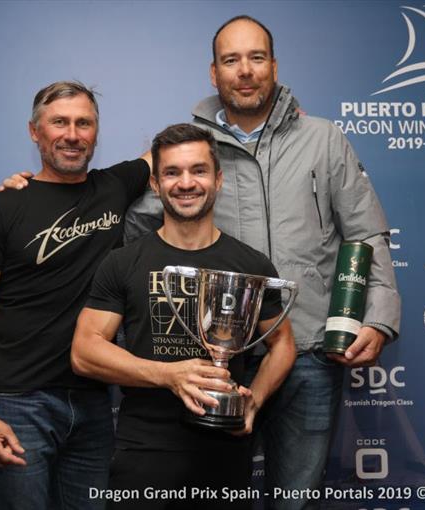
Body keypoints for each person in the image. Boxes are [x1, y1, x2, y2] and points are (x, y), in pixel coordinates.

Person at [124, 16, 401, 510]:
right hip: (216, 360)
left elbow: (366, 231)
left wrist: (378, 316)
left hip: (312, 349)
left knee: (296, 501)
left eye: (256, 58)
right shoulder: (192, 148)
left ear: (274, 65)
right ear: (214, 73)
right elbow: (127, 218)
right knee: (211, 500)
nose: (245, 71)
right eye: (231, 60)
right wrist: (40, 189)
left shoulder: (323, 138)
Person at [71, 123, 296, 510]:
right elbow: (84, 352)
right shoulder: (124, 261)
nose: (186, 183)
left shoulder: (250, 264)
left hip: (225, 452)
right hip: (144, 451)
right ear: (156, 185)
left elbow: (283, 344)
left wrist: (253, 403)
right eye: (172, 173)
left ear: (218, 179)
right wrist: (169, 375)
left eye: (198, 170)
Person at [0, 81, 150, 510]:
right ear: (34, 131)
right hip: (18, 404)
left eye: (84, 123)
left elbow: (181, 149)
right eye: (59, 122)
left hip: (94, 404)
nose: (73, 134)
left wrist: (269, 129)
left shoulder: (115, 187)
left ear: (97, 131)